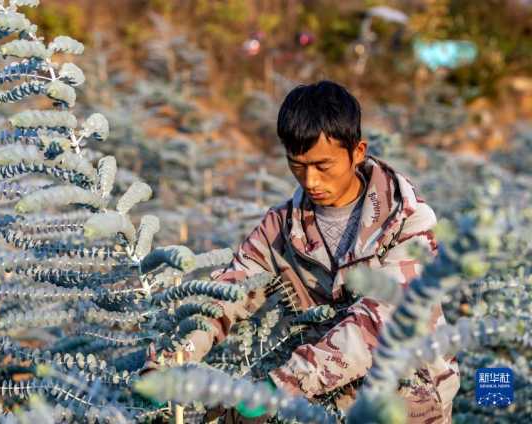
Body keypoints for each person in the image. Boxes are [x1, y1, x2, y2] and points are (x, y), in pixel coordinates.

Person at [142, 80, 460, 423]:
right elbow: (227, 293)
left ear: (358, 152)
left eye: (323, 166)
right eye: (297, 165)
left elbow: (380, 323)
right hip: (322, 403)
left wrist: (278, 388)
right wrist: (173, 359)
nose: (309, 181)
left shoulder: (407, 221)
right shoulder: (283, 228)